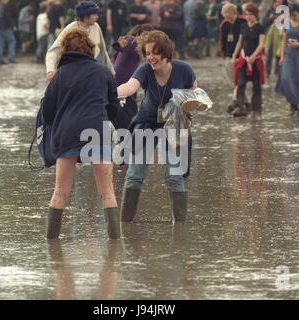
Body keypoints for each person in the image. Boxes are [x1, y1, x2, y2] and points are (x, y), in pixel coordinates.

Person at [41, 29, 121, 240]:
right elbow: (114, 110)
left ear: (65, 51)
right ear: (90, 48)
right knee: (107, 192)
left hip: (67, 135)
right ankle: (114, 246)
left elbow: (47, 113)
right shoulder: (103, 72)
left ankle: (52, 244)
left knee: (60, 192)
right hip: (98, 133)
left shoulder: (59, 75)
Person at [116, 30, 200, 223]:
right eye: (147, 53)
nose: (151, 58)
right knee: (134, 175)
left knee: (173, 177)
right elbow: (130, 87)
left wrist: (195, 102)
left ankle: (179, 228)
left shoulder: (184, 69)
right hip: (146, 123)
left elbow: (196, 92)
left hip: (174, 124)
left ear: (166, 52)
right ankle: (125, 225)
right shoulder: (145, 70)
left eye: (155, 53)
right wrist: (110, 91)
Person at [45, 1, 114, 82]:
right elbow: (53, 51)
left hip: (95, 67)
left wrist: (111, 72)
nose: (97, 17)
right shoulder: (70, 29)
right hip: (76, 70)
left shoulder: (96, 27)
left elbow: (103, 51)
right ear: (85, 16)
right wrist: (50, 70)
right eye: (94, 14)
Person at [112, 24, 155, 129]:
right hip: (124, 85)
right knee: (126, 117)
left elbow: (116, 53)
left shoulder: (129, 40)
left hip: (117, 83)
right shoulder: (134, 41)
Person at [275, 3, 299, 116]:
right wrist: (282, 56)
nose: (293, 17)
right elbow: (284, 40)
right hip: (289, 54)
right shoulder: (287, 22)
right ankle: (293, 103)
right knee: (286, 78)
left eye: (295, 15)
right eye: (291, 15)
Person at [230, 2, 265, 116]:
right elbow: (240, 42)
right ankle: (240, 107)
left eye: (250, 14)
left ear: (255, 14)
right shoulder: (243, 26)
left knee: (256, 85)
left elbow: (261, 44)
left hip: (256, 60)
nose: (248, 16)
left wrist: (254, 56)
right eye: (246, 14)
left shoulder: (260, 27)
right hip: (243, 59)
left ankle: (257, 109)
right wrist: (234, 55)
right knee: (241, 83)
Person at [219, 2, 247, 114]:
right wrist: (224, 54)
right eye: (226, 18)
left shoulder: (243, 22)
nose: (228, 19)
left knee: (240, 82)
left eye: (229, 17)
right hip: (229, 56)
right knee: (235, 83)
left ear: (234, 13)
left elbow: (245, 41)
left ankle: (236, 103)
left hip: (241, 56)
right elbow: (222, 40)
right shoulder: (224, 24)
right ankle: (247, 103)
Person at [0, 0, 17, 64]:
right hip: (5, 27)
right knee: (12, 41)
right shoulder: (5, 6)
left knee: (0, 43)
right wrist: (13, 26)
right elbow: (7, 17)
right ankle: (11, 57)